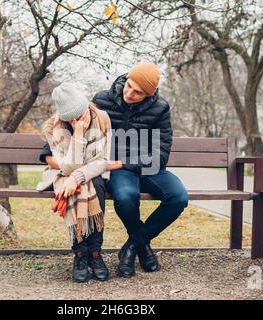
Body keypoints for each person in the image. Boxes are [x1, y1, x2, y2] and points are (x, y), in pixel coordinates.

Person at [41, 62, 189, 278]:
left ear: (150, 93)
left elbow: (161, 155)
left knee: (178, 197)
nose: (130, 93)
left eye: (138, 92)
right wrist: (51, 154)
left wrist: (121, 163)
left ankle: (133, 246)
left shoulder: (161, 109)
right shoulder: (102, 100)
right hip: (119, 172)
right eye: (129, 85)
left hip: (149, 168)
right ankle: (140, 248)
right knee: (126, 197)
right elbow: (69, 121)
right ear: (126, 78)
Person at [36, 82, 120, 283]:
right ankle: (81, 254)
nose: (77, 120)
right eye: (70, 119)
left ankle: (95, 254)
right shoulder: (54, 128)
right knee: (72, 190)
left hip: (94, 171)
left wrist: (77, 177)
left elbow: (100, 161)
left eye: (79, 115)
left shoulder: (102, 119)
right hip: (63, 173)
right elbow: (67, 168)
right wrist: (79, 135)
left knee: (96, 186)